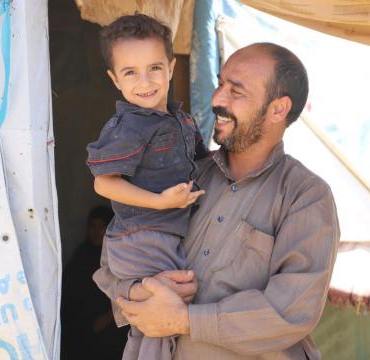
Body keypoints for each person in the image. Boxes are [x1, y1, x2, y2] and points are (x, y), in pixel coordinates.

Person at [94, 42, 340, 359]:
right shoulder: (183, 174)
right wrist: (142, 289)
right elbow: (111, 265)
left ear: (278, 109)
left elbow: (290, 311)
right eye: (220, 84)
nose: (217, 99)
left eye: (235, 91)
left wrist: (184, 320)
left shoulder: (305, 195)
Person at [85, 14, 208, 360]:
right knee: (163, 316)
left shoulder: (179, 119)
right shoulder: (129, 126)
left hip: (160, 234)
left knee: (156, 323)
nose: (145, 82)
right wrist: (159, 201)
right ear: (114, 79)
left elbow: (206, 161)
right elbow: (103, 183)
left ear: (170, 67)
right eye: (130, 73)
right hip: (142, 236)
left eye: (154, 68)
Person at [61, 206, 128, 360]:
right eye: (92, 226)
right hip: (83, 328)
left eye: (101, 226)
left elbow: (127, 291)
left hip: (112, 327)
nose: (96, 231)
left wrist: (108, 317)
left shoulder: (119, 257)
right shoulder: (81, 255)